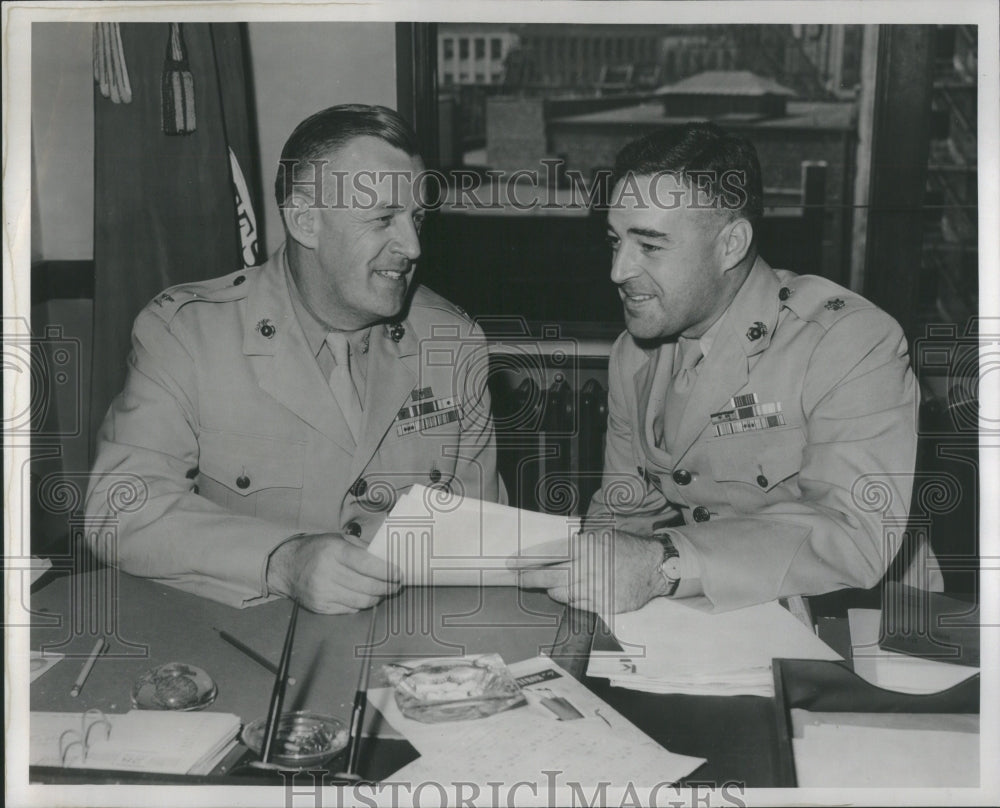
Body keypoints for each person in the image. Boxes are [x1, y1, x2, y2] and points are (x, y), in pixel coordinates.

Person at [85, 104, 505, 613]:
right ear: (307, 221)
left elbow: (481, 536)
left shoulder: (452, 342)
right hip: (242, 649)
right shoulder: (188, 335)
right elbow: (119, 513)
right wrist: (280, 561)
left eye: (416, 217)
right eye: (383, 218)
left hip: (406, 646)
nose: (413, 245)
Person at [512, 122, 936, 614]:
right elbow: (625, 513)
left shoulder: (848, 340)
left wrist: (661, 564)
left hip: (868, 621)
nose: (618, 270)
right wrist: (581, 573)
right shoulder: (636, 353)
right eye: (615, 241)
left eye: (649, 245)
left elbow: (852, 533)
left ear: (731, 244)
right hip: (725, 619)